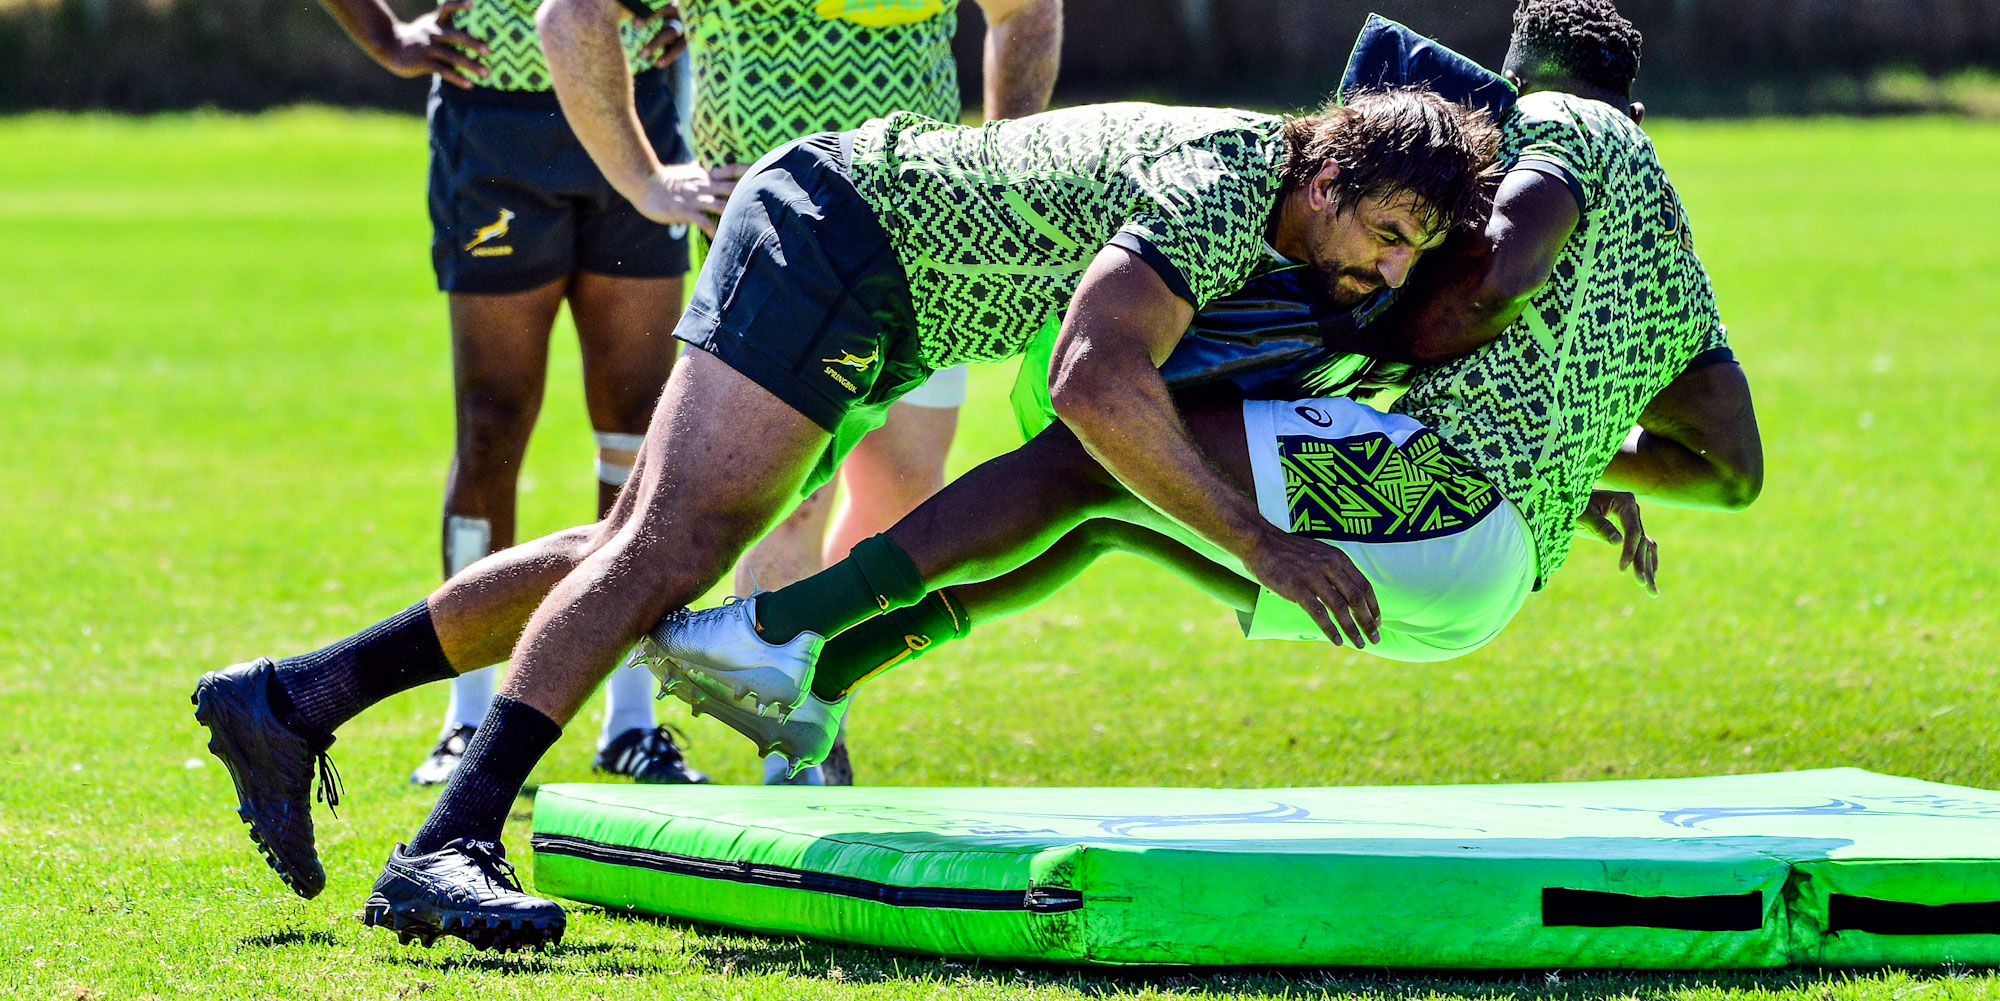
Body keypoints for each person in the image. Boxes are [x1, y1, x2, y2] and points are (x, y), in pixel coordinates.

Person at [191, 89, 1499, 948]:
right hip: (841, 237)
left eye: (1406, 253)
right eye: (1383, 232)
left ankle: (294, 699)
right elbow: (1092, 380)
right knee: (669, 548)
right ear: (1329, 174)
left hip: (878, 285)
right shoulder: (1229, 178)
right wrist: (1261, 541)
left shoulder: (1280, 209)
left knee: (633, 548)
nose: (1383, 268)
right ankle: (449, 843)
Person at [650, 0, 1764, 773]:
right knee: (1110, 519)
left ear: (1523, 84)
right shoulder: (1674, 254)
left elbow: (1491, 286)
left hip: (1436, 498)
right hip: (1483, 588)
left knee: (1093, 441)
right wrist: (1577, 468)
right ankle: (825, 681)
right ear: (1644, 103)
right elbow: (1730, 472)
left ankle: (774, 629)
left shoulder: (1560, 124)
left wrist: (1379, 331)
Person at [535, 0, 1063, 785]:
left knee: (910, 497)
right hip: (780, 249)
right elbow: (570, 16)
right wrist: (646, 182)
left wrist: (996, 165)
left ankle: (817, 681)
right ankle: (799, 747)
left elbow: (1027, 10)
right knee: (788, 503)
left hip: (926, 237)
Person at [313, 0, 725, 785]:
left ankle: (632, 719)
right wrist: (386, 37)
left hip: (634, 111)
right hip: (493, 117)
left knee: (640, 424)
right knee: (492, 421)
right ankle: (467, 716)